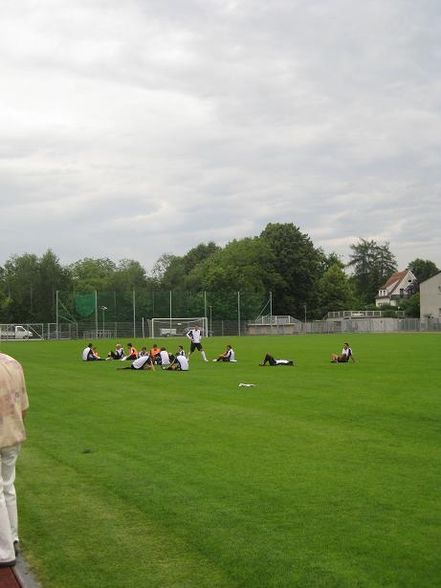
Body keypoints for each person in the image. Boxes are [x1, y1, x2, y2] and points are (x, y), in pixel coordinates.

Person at [0, 352, 29, 568]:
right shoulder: (13, 363)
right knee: (8, 487)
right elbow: (24, 407)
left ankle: (5, 551)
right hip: (14, 433)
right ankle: (13, 538)